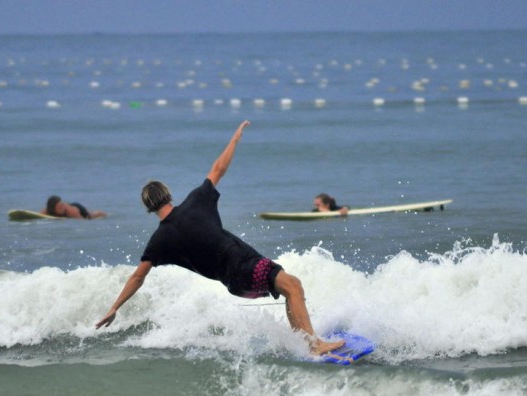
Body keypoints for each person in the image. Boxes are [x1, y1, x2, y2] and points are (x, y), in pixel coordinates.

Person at [95, 121, 344, 355]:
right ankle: (313, 345)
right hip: (245, 265)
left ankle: (305, 341)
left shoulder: (158, 241)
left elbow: (138, 276)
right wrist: (234, 139)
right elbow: (218, 169)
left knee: (291, 287)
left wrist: (115, 307)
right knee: (293, 286)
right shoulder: (196, 201)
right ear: (168, 194)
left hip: (235, 285)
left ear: (148, 208)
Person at [41, 195, 106, 219]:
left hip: (78, 208)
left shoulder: (71, 211)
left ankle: (102, 213)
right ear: (53, 208)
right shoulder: (48, 210)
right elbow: (38, 215)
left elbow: (81, 219)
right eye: (59, 207)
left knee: (91, 216)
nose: (62, 208)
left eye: (62, 205)